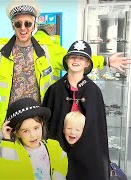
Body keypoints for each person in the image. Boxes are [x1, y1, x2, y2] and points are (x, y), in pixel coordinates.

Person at [0, 0, 130, 129]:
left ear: (34, 24)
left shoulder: (47, 50)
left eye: (28, 23)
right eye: (18, 24)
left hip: (40, 117)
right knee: (9, 164)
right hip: (9, 117)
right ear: (13, 25)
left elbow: (75, 59)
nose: (23, 27)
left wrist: (107, 61)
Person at [42, 40, 109, 180]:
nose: (76, 60)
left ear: (87, 63)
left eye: (81, 58)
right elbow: (47, 126)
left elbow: (97, 130)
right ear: (66, 61)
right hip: (59, 147)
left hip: (87, 152)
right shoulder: (54, 90)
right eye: (72, 57)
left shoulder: (93, 91)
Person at [0, 97, 68, 179]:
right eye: (25, 131)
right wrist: (7, 140)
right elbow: (6, 171)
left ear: (42, 124)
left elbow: (61, 166)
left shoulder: (53, 147)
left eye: (36, 128)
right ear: (17, 132)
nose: (33, 135)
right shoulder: (13, 151)